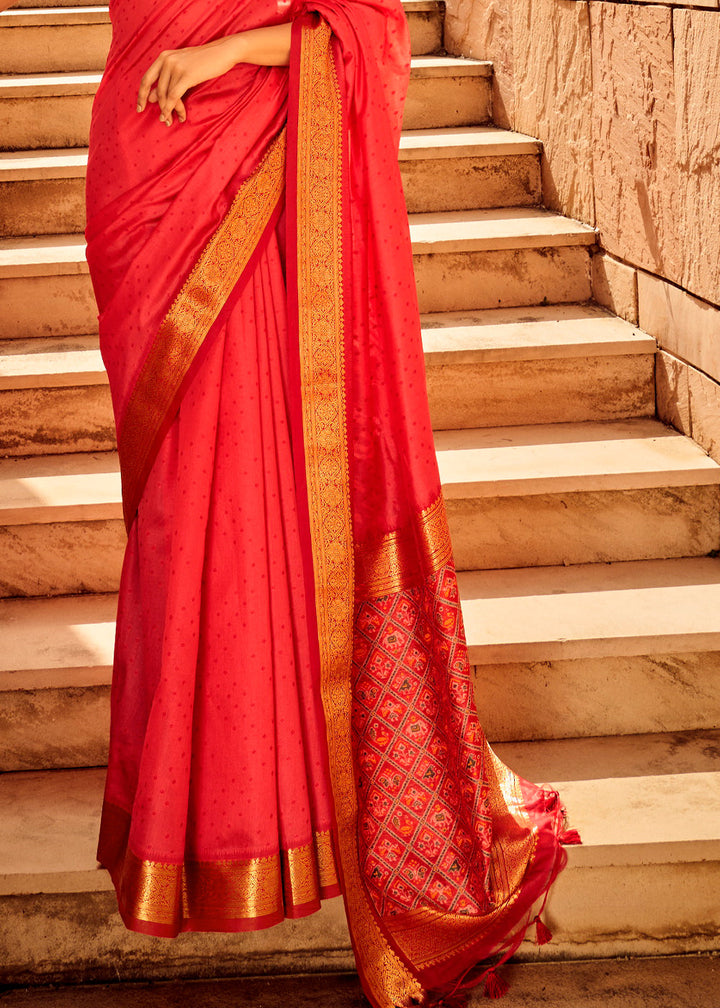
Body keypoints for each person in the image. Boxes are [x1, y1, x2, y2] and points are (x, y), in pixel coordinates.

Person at [80, 1, 581, 1005]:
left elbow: (370, 28)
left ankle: (270, 816)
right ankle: (203, 813)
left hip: (254, 164)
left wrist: (223, 47)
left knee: (253, 500)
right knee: (186, 518)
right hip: (150, 168)